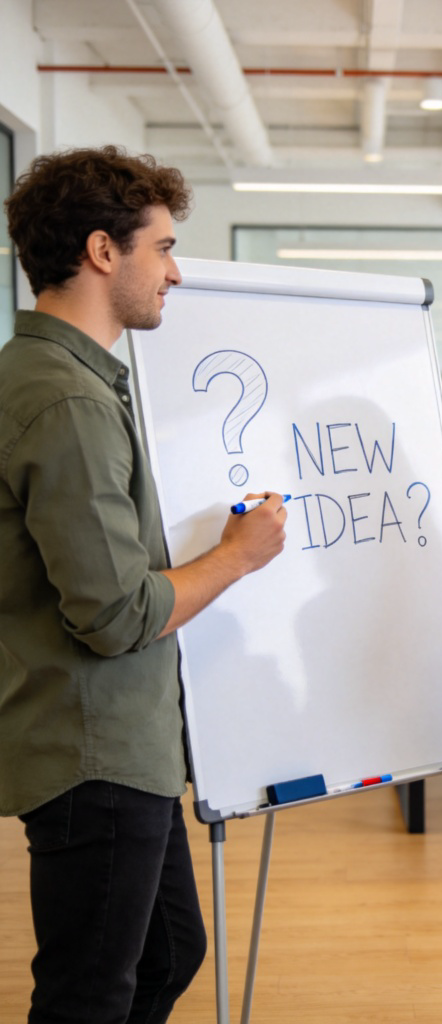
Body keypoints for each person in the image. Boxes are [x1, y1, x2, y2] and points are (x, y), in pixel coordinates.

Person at [0, 146, 288, 1023]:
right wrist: (237, 556)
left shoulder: (71, 382)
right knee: (89, 995)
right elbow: (114, 612)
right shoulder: (69, 402)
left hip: (127, 745)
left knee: (168, 952)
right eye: (162, 246)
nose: (173, 270)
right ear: (101, 251)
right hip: (95, 749)